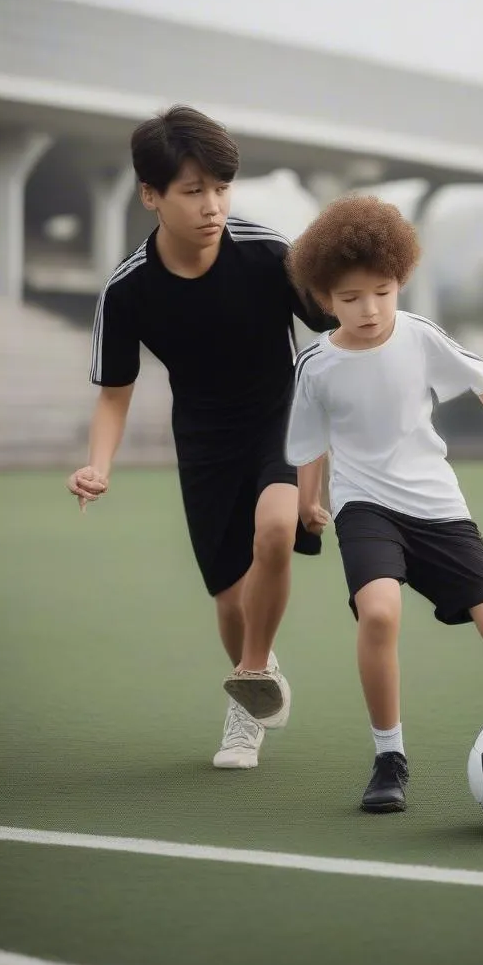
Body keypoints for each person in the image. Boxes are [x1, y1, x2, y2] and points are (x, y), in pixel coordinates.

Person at [284, 195, 483, 813]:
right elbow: (310, 443)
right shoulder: (314, 365)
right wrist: (310, 505)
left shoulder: (419, 337)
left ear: (401, 280)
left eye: (383, 292)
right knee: (380, 615)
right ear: (323, 299)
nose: (369, 310)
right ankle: (389, 756)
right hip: (364, 507)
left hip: (439, 509)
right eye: (351, 297)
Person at [66, 105, 335, 770]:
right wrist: (98, 466)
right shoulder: (128, 291)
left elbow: (337, 336)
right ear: (151, 195)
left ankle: (246, 700)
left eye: (221, 187)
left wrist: (324, 475)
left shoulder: (271, 254)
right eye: (193, 191)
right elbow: (114, 393)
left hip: (283, 416)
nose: (212, 205)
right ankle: (258, 671)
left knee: (273, 532)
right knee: (228, 598)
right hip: (206, 440)